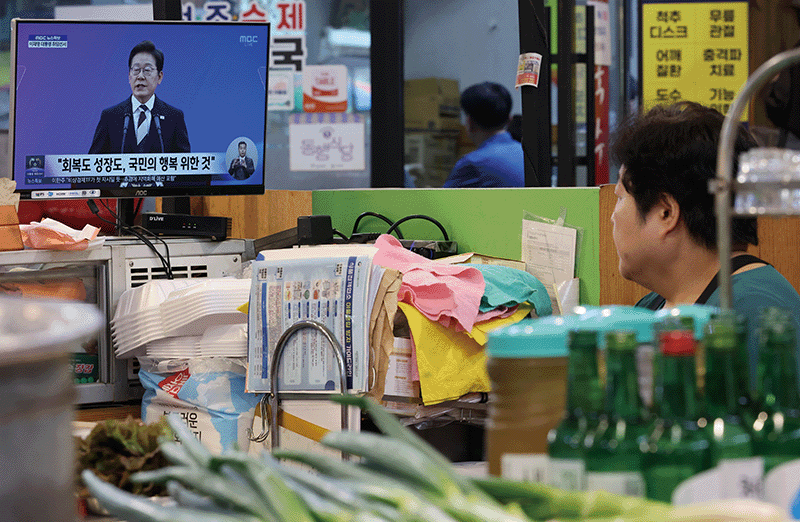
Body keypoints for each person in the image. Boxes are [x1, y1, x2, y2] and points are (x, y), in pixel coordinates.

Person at [610, 101, 800, 376]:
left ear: (666, 213)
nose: (613, 217)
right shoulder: (653, 306)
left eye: (620, 197)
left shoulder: (754, 315)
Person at [89, 40, 190, 154]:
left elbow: (185, 165)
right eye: (136, 70)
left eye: (147, 70)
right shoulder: (110, 117)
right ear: (129, 76)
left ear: (159, 77)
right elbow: (93, 164)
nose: (140, 76)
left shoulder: (174, 117)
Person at [442, 82, 524, 188]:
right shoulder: (525, 154)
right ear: (509, 119)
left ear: (469, 122)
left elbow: (439, 203)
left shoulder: (472, 164)